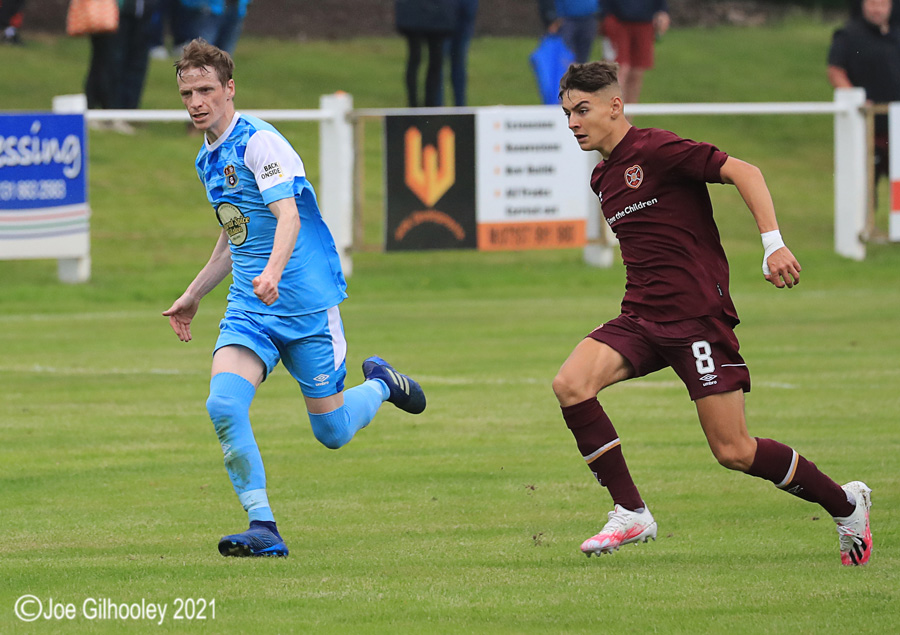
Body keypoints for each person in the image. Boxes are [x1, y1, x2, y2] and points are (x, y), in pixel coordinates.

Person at [553, 61, 873, 566]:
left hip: (696, 320)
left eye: (581, 110)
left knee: (734, 451)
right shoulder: (603, 177)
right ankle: (631, 511)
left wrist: (773, 243)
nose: (573, 122)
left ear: (615, 106)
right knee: (571, 384)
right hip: (640, 317)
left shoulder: (657, 149)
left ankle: (847, 505)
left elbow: (746, 172)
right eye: (567, 113)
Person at [164, 39, 427, 557]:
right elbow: (236, 233)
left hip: (306, 306)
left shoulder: (261, 143)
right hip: (250, 309)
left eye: (206, 90)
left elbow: (287, 215)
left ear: (229, 89)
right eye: (187, 94)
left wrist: (274, 272)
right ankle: (263, 527)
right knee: (223, 404)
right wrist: (194, 293)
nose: (196, 102)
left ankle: (381, 385)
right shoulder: (208, 159)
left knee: (332, 432)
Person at [828, 0, 900, 183]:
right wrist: (855, 100)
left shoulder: (896, 34)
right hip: (867, 123)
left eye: (882, 4)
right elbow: (835, 71)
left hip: (896, 122)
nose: (878, 9)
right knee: (864, 185)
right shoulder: (848, 35)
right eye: (873, 4)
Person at [598, 0, 669, 104]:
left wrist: (662, 10)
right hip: (616, 18)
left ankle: (630, 113)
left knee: (637, 73)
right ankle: (613, 111)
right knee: (619, 70)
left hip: (644, 21)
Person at [396, 0, 457, 107]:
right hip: (427, 13)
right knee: (417, 58)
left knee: (431, 60)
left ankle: (427, 106)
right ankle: (415, 106)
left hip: (433, 14)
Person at [442, 0, 478, 107]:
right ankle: (437, 109)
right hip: (442, 15)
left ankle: (460, 108)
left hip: (463, 16)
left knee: (459, 62)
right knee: (438, 65)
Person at [553, 0, 599, 64]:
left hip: (589, 17)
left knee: (585, 49)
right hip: (568, 18)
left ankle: (581, 67)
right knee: (568, 49)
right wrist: (559, 16)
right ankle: (570, 67)